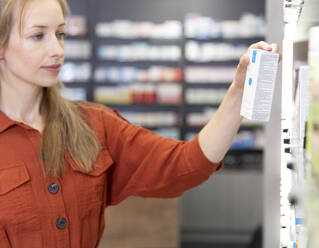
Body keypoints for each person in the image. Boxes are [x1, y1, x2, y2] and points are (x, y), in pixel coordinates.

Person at [0, 0, 280, 247]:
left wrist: (237, 93)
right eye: (38, 36)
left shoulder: (94, 126)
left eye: (60, 34)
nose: (57, 49)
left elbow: (186, 164)